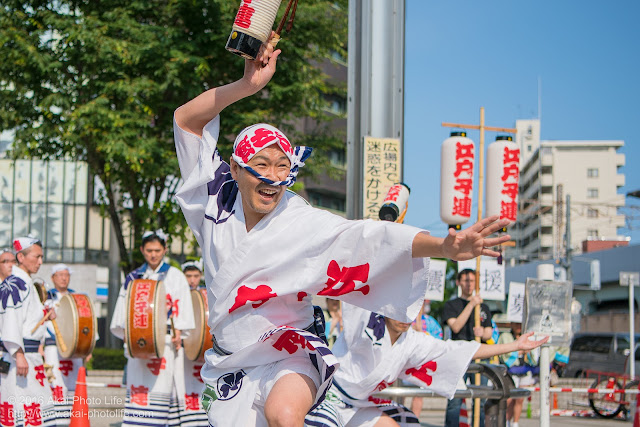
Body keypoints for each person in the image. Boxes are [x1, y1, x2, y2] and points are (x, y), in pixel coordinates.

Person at [173, 34, 511, 426]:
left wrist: (444, 246)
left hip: (290, 349)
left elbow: (369, 239)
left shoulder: (299, 220)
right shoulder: (214, 196)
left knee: (283, 415)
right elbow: (186, 119)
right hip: (231, 359)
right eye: (261, 165)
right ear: (235, 168)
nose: (272, 177)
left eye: (282, 167)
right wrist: (247, 86)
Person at [305, 304, 548, 426]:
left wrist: (514, 345)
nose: (405, 317)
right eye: (400, 308)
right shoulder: (364, 323)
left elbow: (460, 349)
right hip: (327, 398)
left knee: (405, 423)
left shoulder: (413, 342)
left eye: (412, 310)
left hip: (361, 405)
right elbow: (363, 290)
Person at [110, 230, 195, 426]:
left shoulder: (175, 276)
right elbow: (125, 306)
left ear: (165, 250)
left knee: (163, 386)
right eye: (149, 250)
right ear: (142, 250)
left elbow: (182, 304)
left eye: (157, 250)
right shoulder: (134, 276)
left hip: (164, 339)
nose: (153, 254)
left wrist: (179, 332)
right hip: (138, 339)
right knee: (138, 384)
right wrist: (125, 333)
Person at [0, 237, 57, 427]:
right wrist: (18, 353)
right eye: (37, 256)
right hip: (21, 356)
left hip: (28, 355)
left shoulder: (23, 283)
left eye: (42, 257)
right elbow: (10, 319)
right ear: (21, 257)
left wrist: (44, 315)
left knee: (34, 408)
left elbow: (26, 319)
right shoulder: (16, 284)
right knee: (25, 408)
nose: (40, 261)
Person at [43, 263, 96, 425]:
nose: (64, 278)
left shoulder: (77, 298)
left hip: (75, 347)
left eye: (66, 275)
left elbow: (87, 324)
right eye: (60, 275)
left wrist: (88, 348)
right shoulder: (45, 298)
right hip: (52, 345)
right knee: (55, 381)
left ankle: (74, 417)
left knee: (74, 382)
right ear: (53, 278)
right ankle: (56, 418)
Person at [442, 268, 493, 427]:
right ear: (459, 282)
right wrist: (471, 304)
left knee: (481, 399)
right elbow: (455, 327)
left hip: (479, 355)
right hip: (459, 355)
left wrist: (482, 332)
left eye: (472, 281)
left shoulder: (483, 307)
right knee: (455, 399)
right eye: (465, 281)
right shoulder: (451, 305)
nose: (469, 284)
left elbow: (489, 333)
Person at [178, 258, 209, 426]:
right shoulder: (177, 296)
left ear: (200, 276)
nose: (192, 279)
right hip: (184, 351)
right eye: (188, 275)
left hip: (204, 348)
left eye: (195, 275)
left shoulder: (206, 295)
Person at [498, 322, 540, 427]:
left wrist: (527, 352)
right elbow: (505, 355)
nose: (518, 327)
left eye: (520, 324)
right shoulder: (506, 336)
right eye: (516, 324)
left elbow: (534, 358)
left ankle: (515, 423)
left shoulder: (529, 337)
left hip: (525, 371)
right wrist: (520, 350)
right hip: (511, 372)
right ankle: (506, 421)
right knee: (509, 399)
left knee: (519, 399)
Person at [409, 299, 443, 416]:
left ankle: (414, 420)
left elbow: (438, 340)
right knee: (399, 394)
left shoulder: (431, 322)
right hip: (405, 360)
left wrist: (422, 333)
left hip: (422, 363)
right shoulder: (405, 319)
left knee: (418, 395)